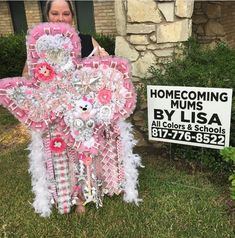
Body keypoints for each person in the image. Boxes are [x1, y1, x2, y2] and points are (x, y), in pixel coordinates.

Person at [22, 0, 109, 77]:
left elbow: (106, 71)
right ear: (47, 16)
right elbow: (26, 74)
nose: (60, 19)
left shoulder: (87, 40)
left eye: (66, 14)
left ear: (72, 17)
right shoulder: (39, 44)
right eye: (55, 14)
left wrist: (105, 62)